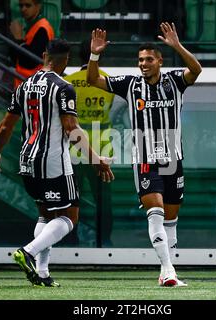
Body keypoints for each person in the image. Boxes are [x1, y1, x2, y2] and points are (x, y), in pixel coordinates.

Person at [0, 39, 114, 287]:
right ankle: (28, 252)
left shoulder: (24, 86)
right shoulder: (64, 87)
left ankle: (42, 273)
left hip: (27, 160)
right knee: (69, 217)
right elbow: (71, 128)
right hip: (53, 160)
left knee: (45, 215)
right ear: (66, 60)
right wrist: (95, 160)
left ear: (44, 55)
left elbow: (5, 126)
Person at [87, 22, 202, 287]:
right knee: (156, 213)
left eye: (149, 59)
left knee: (171, 220)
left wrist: (177, 46)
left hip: (173, 159)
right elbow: (93, 79)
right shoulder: (130, 84)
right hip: (145, 159)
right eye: (140, 60)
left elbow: (196, 70)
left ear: (160, 61)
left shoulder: (175, 81)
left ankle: (166, 271)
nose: (143, 63)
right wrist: (95, 55)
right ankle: (168, 270)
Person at [63, 41, 125, 247]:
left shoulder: (68, 82)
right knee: (103, 201)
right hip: (101, 149)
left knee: (71, 198)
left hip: (73, 149)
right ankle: (105, 241)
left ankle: (70, 240)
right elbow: (116, 112)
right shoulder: (108, 80)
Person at [10, 0, 55, 88]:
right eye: (21, 6)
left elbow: (31, 62)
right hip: (27, 85)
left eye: (28, 5)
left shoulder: (42, 29)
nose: (23, 9)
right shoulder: (33, 26)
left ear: (38, 6)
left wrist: (18, 39)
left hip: (34, 86)